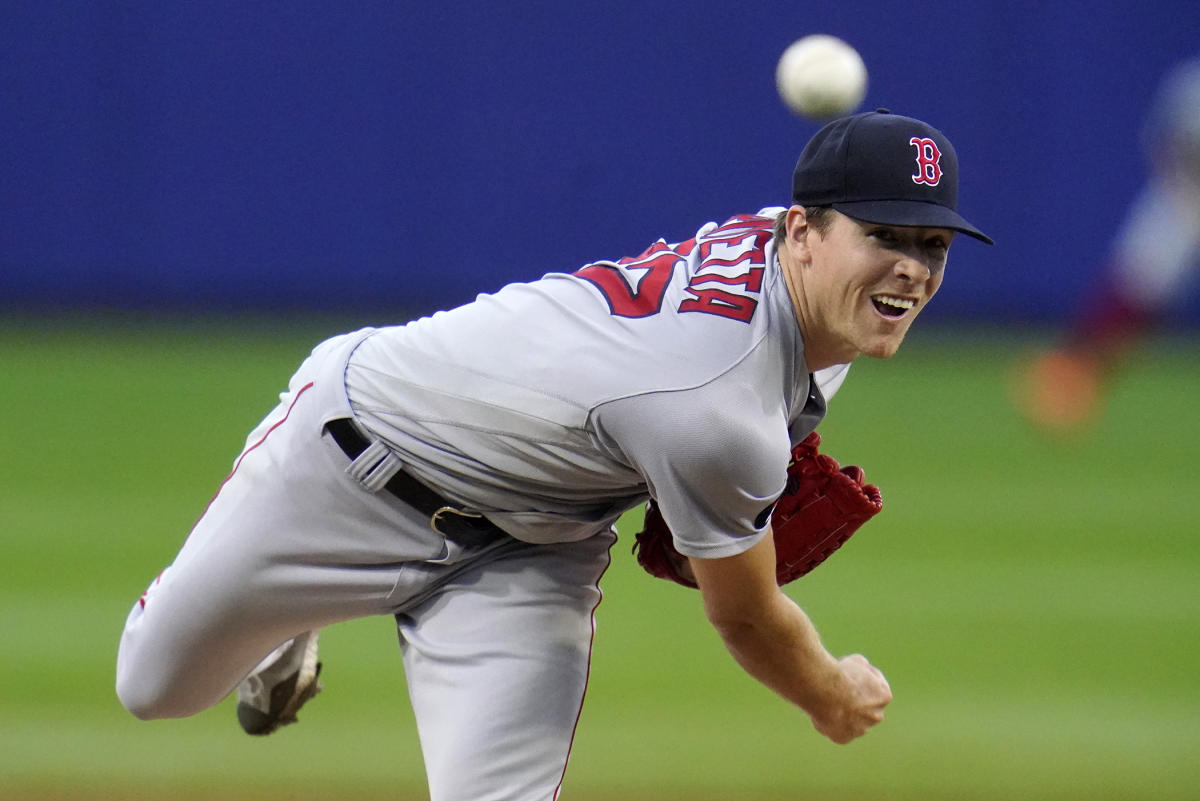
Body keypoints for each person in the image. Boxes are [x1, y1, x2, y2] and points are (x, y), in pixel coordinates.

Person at [116, 109, 992, 800]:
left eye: (932, 245)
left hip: (532, 550)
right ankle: (294, 609)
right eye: (885, 235)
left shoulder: (803, 289)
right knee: (153, 687)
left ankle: (302, 600)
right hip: (354, 459)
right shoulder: (717, 402)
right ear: (800, 230)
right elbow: (748, 616)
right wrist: (831, 694)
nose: (912, 269)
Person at [1018, 57, 1200, 434]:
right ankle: (1074, 376)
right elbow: (1166, 140)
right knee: (1138, 280)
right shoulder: (1191, 84)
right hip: (1187, 195)